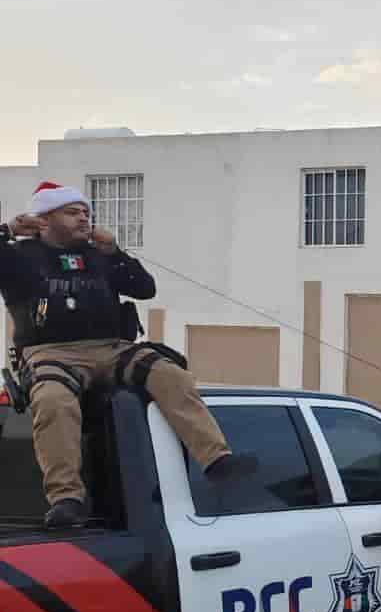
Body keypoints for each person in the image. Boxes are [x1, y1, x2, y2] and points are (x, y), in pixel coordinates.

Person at [1, 185, 249, 527]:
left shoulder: (99, 254)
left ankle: (217, 460)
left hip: (112, 348)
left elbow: (144, 288)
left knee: (170, 375)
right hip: (53, 353)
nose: (84, 218)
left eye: (86, 212)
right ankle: (66, 498)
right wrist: (8, 230)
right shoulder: (18, 255)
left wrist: (115, 251)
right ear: (44, 220)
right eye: (72, 212)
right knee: (54, 401)